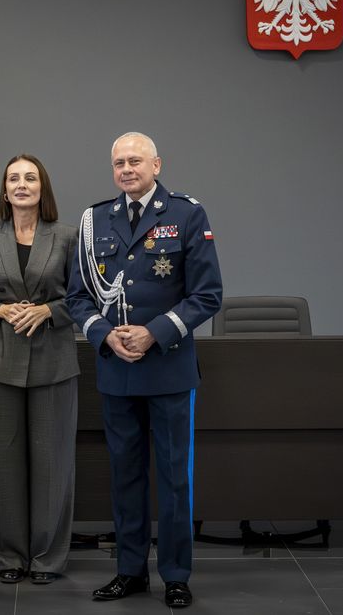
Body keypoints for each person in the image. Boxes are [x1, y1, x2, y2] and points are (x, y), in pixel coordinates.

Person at [66, 133, 222, 609]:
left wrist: (154, 333)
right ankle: (130, 571)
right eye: (119, 163)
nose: (127, 169)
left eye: (135, 160)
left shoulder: (186, 215)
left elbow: (207, 295)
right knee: (125, 476)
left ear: (157, 164)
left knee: (174, 478)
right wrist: (104, 336)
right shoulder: (95, 220)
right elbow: (77, 297)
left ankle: (175, 575)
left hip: (169, 368)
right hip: (118, 369)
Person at [0, 154, 79, 586]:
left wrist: (48, 311)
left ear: (42, 187)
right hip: (1, 364)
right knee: (2, 464)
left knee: (52, 464)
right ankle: (7, 555)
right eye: (14, 178)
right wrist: (0, 310)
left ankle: (46, 558)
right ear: (5, 190)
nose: (22, 184)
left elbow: (83, 297)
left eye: (30, 177)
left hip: (54, 363)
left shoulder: (67, 236)